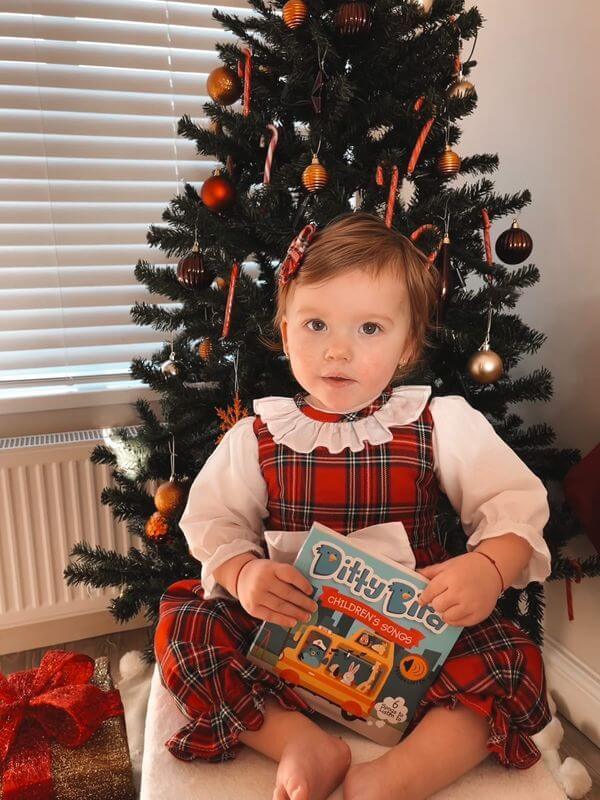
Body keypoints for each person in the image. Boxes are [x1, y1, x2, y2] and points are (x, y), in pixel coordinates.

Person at [154, 212, 553, 800]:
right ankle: (299, 739)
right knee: (184, 628)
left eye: (369, 329)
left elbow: (514, 506)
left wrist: (490, 568)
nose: (337, 350)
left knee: (513, 660)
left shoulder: (439, 423)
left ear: (407, 345)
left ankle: (400, 774)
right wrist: (244, 574)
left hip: (414, 640)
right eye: (315, 324)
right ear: (285, 331)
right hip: (291, 629)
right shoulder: (256, 437)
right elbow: (215, 524)